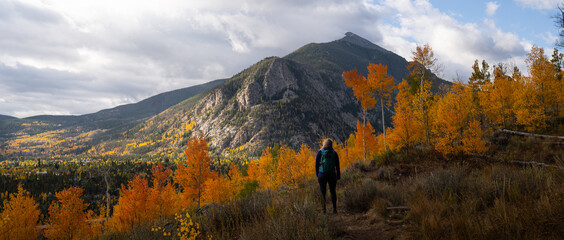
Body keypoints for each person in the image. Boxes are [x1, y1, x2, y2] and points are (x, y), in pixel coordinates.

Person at [315, 138, 341, 214]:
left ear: (324, 144)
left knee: (323, 192)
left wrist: (318, 174)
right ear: (331, 144)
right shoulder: (334, 153)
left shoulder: (320, 152)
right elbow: (337, 166)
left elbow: (316, 165)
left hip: (322, 175)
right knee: (333, 191)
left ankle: (324, 210)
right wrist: (338, 175)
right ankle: (335, 209)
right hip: (332, 175)